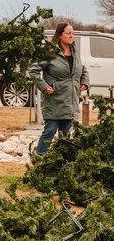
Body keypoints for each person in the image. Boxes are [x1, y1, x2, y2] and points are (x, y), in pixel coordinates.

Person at [28, 23, 89, 156]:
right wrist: (43, 87)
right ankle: (39, 157)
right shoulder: (50, 52)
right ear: (60, 35)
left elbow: (82, 69)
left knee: (66, 134)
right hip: (54, 99)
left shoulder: (74, 51)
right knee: (50, 130)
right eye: (68, 33)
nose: (71, 36)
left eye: (72, 33)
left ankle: (62, 160)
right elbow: (33, 71)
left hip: (70, 99)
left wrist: (85, 82)